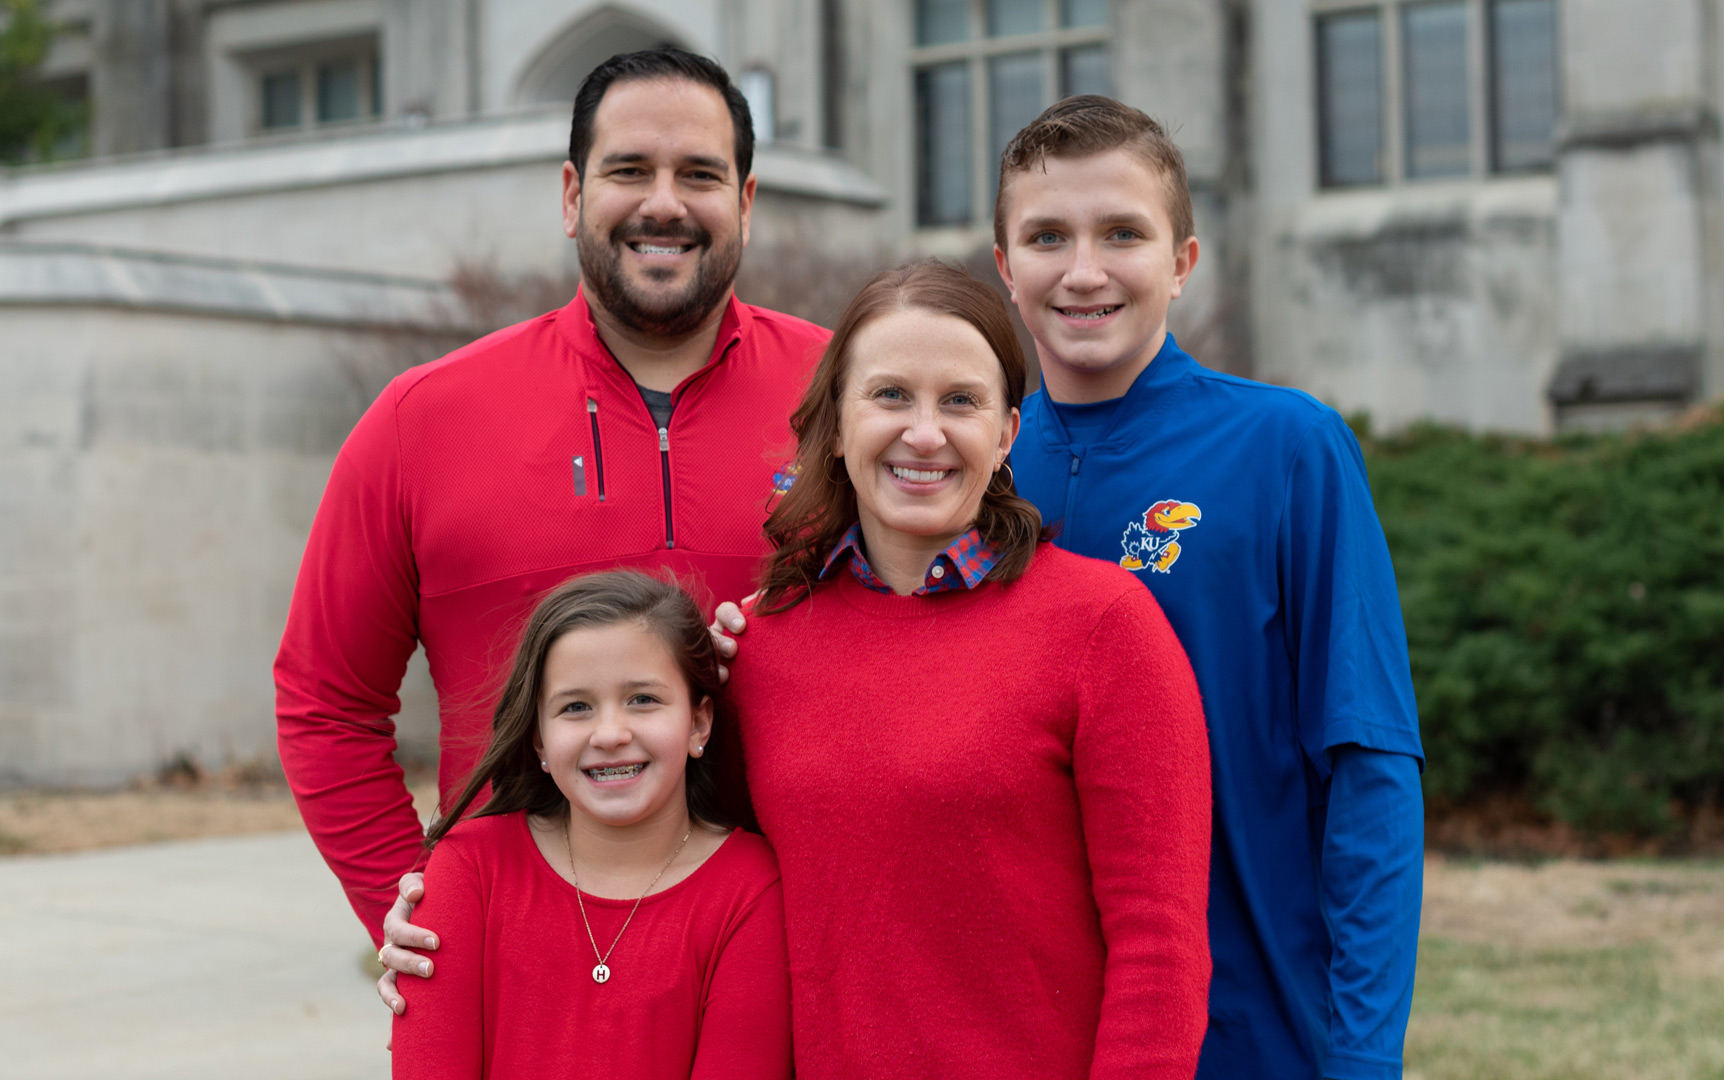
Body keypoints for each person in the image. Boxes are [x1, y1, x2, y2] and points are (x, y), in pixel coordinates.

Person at [272, 44, 829, 979]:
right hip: (516, 981)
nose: (664, 202)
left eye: (699, 173)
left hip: (798, 974)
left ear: (746, 201)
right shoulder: (422, 420)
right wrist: (409, 904)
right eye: (628, 171)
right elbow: (326, 700)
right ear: (572, 195)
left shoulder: (851, 403)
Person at [990, 97, 1427, 1080]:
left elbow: (1370, 769)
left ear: (1183, 263)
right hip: (1028, 1036)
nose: (1085, 270)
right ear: (1004, 265)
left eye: (1123, 234)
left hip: (1252, 1030)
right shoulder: (972, 469)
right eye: (1048, 236)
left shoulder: (1286, 448)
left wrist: (1361, 1057)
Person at [725, 259, 1212, 1078]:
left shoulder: (1105, 627)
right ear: (836, 426)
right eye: (890, 396)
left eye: (960, 401)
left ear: (1006, 433)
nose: (925, 433)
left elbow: (1160, 943)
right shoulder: (761, 646)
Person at [390, 570, 789, 1080]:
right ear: (538, 741)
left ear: (698, 723)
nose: (610, 734)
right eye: (575, 707)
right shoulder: (469, 869)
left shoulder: (751, 890)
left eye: (643, 699)